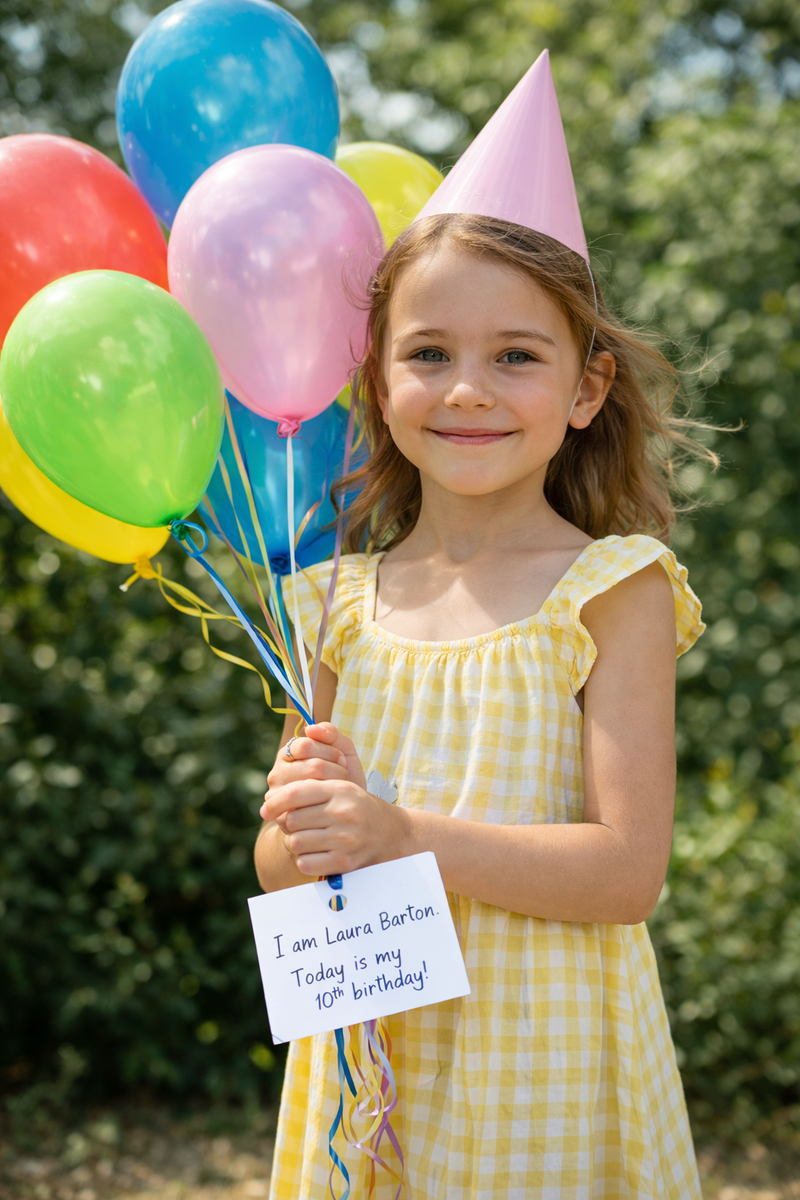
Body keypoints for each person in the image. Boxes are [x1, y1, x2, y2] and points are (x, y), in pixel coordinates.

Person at [256, 51, 710, 1200]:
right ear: (376, 378)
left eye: (515, 356)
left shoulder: (610, 587)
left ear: (584, 391)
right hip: (376, 1055)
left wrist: (403, 834)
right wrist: (303, 826)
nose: (466, 389)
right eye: (428, 354)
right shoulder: (334, 603)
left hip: (541, 1057)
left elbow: (625, 870)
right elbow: (288, 871)